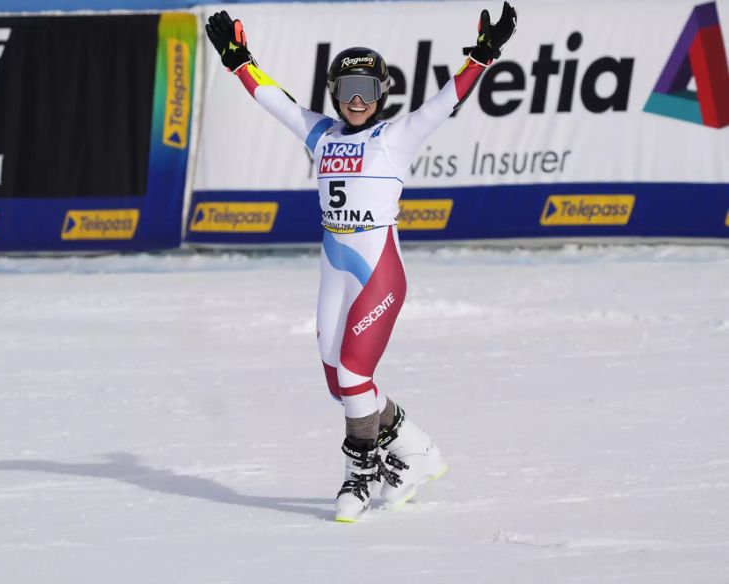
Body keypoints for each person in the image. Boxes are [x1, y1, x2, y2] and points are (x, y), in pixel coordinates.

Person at [206, 3, 517, 523]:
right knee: (341, 383)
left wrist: (484, 53)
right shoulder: (321, 135)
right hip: (334, 268)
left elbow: (448, 100)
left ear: (382, 96)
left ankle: (361, 473)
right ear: (333, 93)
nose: (356, 99)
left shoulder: (397, 137)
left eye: (368, 91)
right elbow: (274, 101)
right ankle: (417, 450)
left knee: (353, 376)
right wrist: (240, 60)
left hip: (379, 274)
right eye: (348, 88)